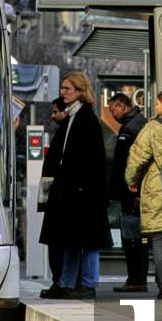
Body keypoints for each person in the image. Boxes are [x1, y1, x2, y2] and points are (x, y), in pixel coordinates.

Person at [39, 72, 112, 299]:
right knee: (70, 239)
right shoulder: (72, 117)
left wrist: (81, 187)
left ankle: (87, 285)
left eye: (67, 88)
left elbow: (91, 159)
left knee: (87, 241)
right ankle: (67, 283)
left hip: (83, 192)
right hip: (71, 191)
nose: (62, 92)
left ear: (80, 91)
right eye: (62, 88)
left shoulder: (86, 119)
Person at [125, 89, 162, 300]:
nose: (154, 107)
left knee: (160, 240)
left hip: (158, 189)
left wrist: (131, 180)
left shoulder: (153, 127)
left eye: (157, 104)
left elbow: (136, 158)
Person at [107, 92, 148, 292]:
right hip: (131, 191)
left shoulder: (132, 127)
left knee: (132, 237)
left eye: (112, 109)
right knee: (135, 237)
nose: (112, 114)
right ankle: (137, 278)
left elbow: (133, 162)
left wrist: (135, 190)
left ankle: (136, 279)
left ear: (122, 105)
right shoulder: (135, 124)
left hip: (131, 192)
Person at [38, 97, 70, 298]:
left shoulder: (66, 133)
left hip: (58, 197)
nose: (52, 115)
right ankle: (60, 280)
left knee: (57, 244)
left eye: (56, 111)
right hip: (56, 195)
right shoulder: (64, 132)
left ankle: (60, 281)